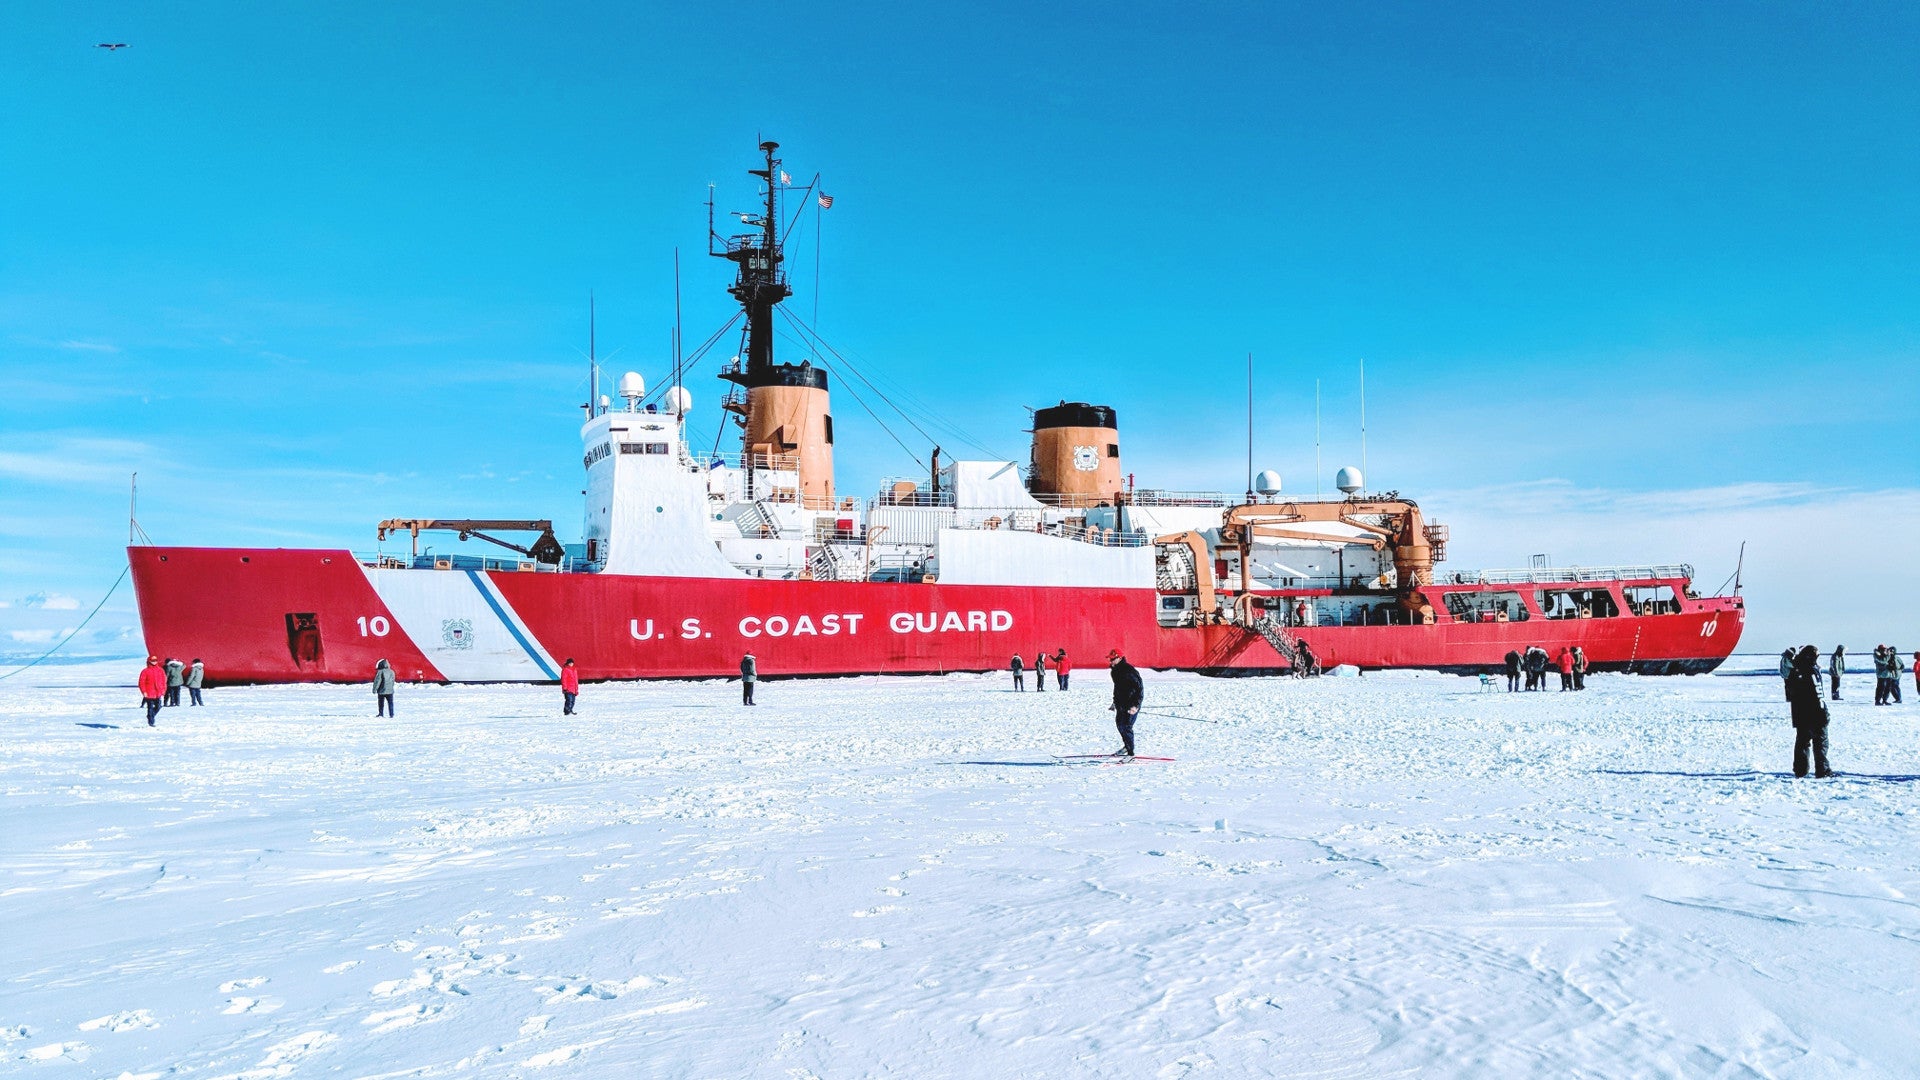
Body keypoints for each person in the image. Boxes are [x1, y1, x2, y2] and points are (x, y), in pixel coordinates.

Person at [1785, 644, 1832, 778]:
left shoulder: (1795, 669)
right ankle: (1822, 770)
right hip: (1815, 712)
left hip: (1800, 713)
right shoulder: (1811, 670)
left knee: (1802, 742)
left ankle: (1800, 770)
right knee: (1820, 742)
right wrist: (1823, 712)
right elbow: (1818, 692)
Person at [1108, 648, 1144, 758]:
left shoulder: (1129, 670)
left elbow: (1139, 688)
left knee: (1126, 726)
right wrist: (1115, 702)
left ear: (1119, 658)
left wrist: (1136, 705)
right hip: (1121, 703)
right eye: (1110, 659)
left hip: (1131, 703)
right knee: (1120, 725)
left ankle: (1130, 753)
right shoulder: (1114, 671)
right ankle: (1127, 746)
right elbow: (1117, 688)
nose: (1111, 661)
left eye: (1113, 659)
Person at [137, 656, 166, 726]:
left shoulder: (160, 670)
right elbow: (141, 682)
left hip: (158, 692)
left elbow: (163, 681)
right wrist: (144, 691)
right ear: (149, 661)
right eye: (152, 660)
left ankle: (150, 716)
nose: (154, 661)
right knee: (150, 707)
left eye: (155, 660)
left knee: (158, 706)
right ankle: (151, 722)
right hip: (149, 693)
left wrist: (163, 690)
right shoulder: (145, 671)